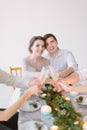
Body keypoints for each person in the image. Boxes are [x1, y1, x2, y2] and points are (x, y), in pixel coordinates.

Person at [18, 36, 50, 129]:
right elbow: (24, 73)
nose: (41, 48)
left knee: (44, 113)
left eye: (43, 46)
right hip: (26, 89)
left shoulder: (46, 61)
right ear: (31, 47)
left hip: (41, 89)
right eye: (37, 45)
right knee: (27, 112)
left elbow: (47, 77)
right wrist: (41, 74)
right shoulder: (25, 60)